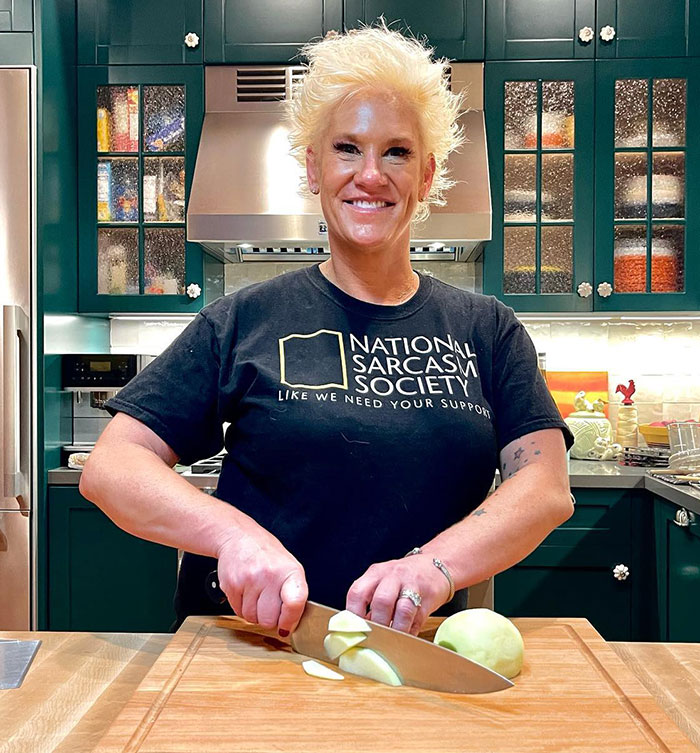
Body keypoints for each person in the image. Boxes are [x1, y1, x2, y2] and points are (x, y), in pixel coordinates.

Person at [79, 24, 574, 639]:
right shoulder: (242, 319)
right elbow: (112, 465)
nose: (371, 174)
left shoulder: (488, 330)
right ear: (314, 167)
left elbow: (545, 485)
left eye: (397, 152)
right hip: (255, 645)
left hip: (409, 651)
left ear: (426, 175)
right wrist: (233, 535)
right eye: (347, 148)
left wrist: (434, 567)